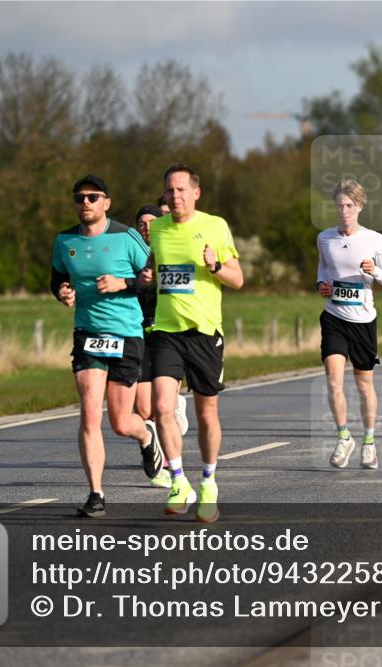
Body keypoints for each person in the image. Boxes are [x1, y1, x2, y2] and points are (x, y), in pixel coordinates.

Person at [50, 175, 159, 518]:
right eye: (79, 198)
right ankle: (96, 492)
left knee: (121, 422)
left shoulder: (126, 237)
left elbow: (152, 277)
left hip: (126, 335)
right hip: (88, 334)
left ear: (106, 203)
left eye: (93, 197)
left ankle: (145, 437)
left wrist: (122, 282)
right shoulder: (65, 240)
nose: (86, 203)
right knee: (88, 411)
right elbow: (58, 278)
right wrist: (62, 293)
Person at [149, 163, 244, 523]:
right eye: (169, 191)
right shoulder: (157, 229)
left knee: (207, 414)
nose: (175, 196)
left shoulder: (215, 226)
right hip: (166, 331)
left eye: (181, 190)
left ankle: (208, 481)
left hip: (205, 332)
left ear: (196, 193)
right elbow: (156, 268)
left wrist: (216, 265)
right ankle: (177, 481)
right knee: (162, 407)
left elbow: (238, 279)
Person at [317, 180, 382, 469]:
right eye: (339, 205)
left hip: (363, 320)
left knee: (364, 386)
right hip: (334, 317)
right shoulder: (324, 238)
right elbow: (324, 268)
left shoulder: (375, 239)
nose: (344, 210)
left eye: (349, 205)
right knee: (333, 379)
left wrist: (373, 270)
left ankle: (369, 442)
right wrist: (322, 285)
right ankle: (343, 437)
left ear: (360, 207)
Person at [133, 205, 189, 491]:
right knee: (144, 408)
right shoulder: (131, 255)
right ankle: (154, 438)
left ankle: (169, 463)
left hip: (168, 335)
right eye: (141, 223)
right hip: (139, 335)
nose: (145, 227)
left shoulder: (171, 248)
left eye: (150, 221)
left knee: (162, 405)